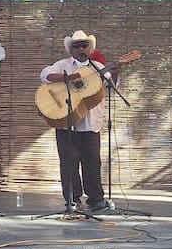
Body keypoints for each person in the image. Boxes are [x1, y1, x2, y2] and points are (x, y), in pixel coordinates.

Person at [39, 30, 115, 209]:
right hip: (66, 123)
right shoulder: (62, 64)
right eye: (76, 45)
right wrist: (69, 78)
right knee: (69, 163)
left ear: (89, 48)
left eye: (84, 45)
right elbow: (45, 75)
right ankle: (72, 200)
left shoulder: (97, 67)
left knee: (92, 163)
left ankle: (96, 200)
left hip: (91, 123)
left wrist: (116, 72)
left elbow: (111, 87)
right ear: (71, 49)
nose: (81, 48)